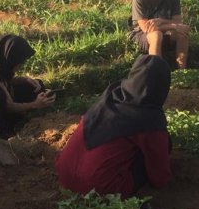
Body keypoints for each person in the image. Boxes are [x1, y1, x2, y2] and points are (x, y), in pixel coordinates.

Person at [55, 55, 172, 198]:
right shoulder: (150, 118)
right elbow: (160, 177)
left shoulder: (111, 96)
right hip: (98, 188)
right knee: (163, 146)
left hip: (64, 175)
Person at [129, 0, 189, 69]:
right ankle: (157, 72)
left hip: (164, 32)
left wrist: (161, 21)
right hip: (142, 35)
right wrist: (173, 26)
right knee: (156, 35)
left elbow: (177, 21)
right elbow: (146, 28)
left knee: (182, 33)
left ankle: (182, 71)